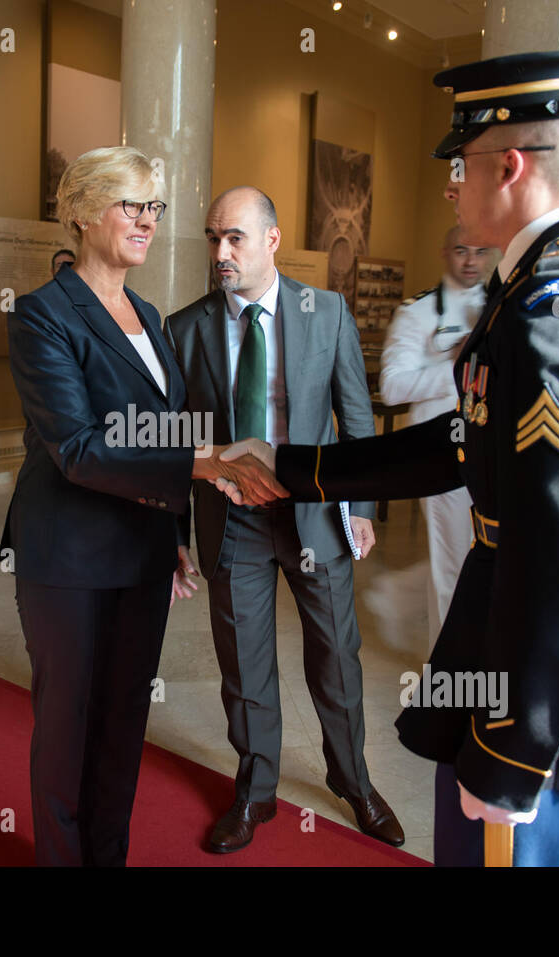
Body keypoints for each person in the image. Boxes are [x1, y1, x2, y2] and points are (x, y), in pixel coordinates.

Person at [220, 50, 559, 866]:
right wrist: (293, 467)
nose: (450, 187)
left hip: (542, 684)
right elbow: (463, 440)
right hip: (502, 635)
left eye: (459, 166)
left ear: (512, 163)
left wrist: (516, 749)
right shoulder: (535, 284)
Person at [0, 147, 277, 866]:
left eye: (154, 208)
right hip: (68, 553)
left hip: (142, 552)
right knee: (69, 727)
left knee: (123, 724)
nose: (148, 221)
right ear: (86, 211)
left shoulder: (149, 314)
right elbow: (80, 449)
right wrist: (207, 463)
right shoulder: (41, 315)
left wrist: (172, 530)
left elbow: (167, 427)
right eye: (132, 205)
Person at [166, 186, 404, 852]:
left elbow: (356, 419)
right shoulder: (186, 328)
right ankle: (255, 789)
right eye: (214, 237)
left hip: (316, 516)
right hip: (232, 521)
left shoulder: (325, 313)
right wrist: (173, 533)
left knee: (336, 657)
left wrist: (360, 507)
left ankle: (354, 780)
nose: (221, 251)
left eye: (235, 237)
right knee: (244, 664)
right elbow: (180, 440)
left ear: (271, 239)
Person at [379, 227, 494, 647]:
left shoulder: (500, 308)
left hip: (496, 453)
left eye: (481, 251)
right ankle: (445, 675)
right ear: (445, 252)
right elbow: (392, 387)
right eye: (462, 250)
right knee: (451, 564)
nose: (471, 261)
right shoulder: (418, 312)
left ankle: (398, 599)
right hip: (443, 453)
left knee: (486, 561)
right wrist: (460, 363)